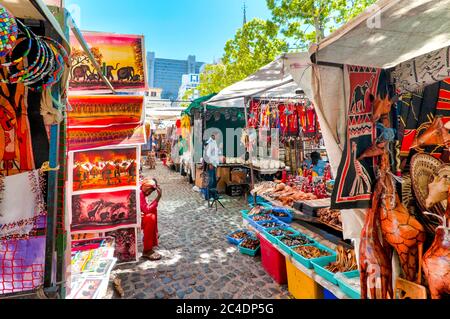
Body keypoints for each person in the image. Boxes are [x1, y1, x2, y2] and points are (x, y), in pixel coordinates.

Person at [140, 178, 162, 260]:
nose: (149, 194)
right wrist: (158, 197)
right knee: (150, 217)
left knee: (153, 212)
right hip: (134, 216)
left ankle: (151, 239)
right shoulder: (140, 193)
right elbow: (146, 210)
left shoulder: (141, 190)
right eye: (149, 191)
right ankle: (147, 250)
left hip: (136, 213)